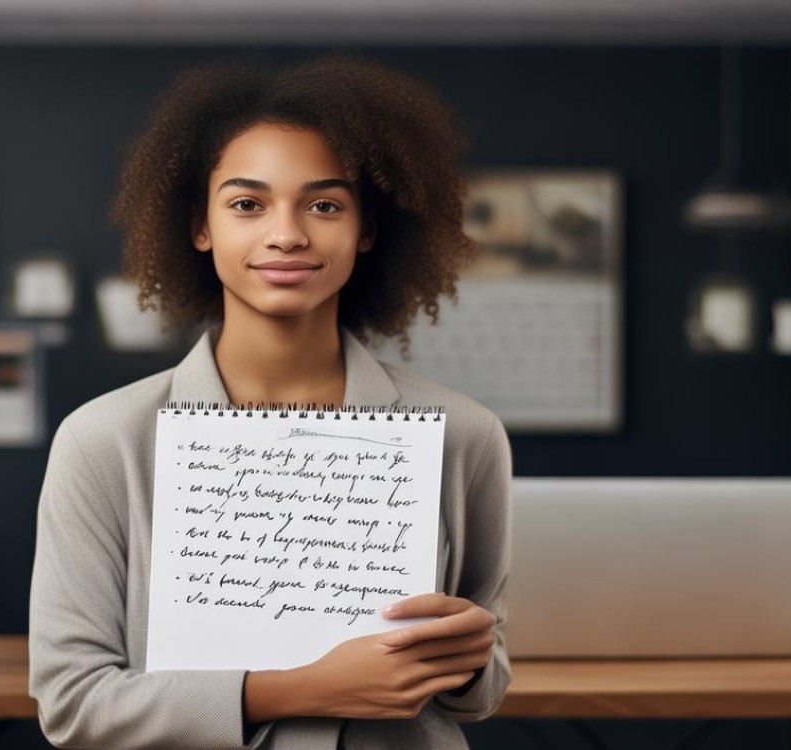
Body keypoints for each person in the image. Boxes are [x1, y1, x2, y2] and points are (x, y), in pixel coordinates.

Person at [29, 55, 513, 750]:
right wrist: (303, 688)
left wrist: (467, 660)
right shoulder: (105, 439)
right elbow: (73, 704)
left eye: (324, 204)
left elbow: (484, 690)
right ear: (201, 227)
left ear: (366, 230)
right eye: (247, 204)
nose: (287, 234)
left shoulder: (463, 433)